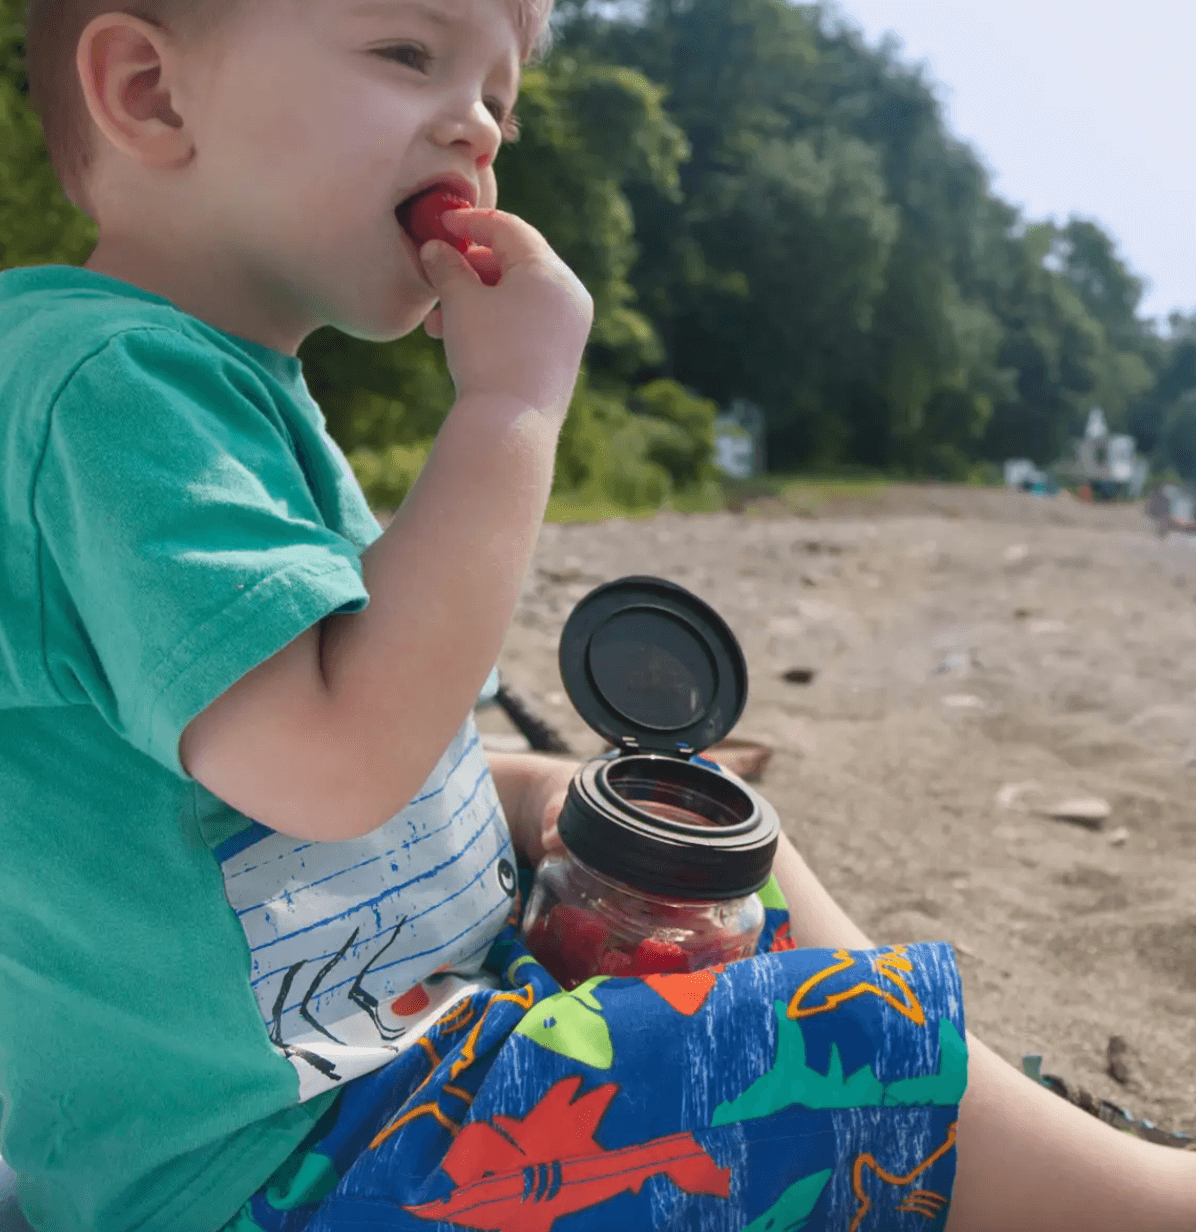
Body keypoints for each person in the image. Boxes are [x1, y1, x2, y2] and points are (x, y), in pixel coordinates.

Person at [0, 0, 1193, 1228]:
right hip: (283, 1162)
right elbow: (334, 759)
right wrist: (509, 405)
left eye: (500, 102)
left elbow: (317, 750)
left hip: (401, 1058)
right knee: (831, 1060)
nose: (473, 126)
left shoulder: (222, 393)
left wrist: (535, 791)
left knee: (715, 849)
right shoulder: (102, 392)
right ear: (149, 90)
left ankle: (997, 1147)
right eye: (407, 54)